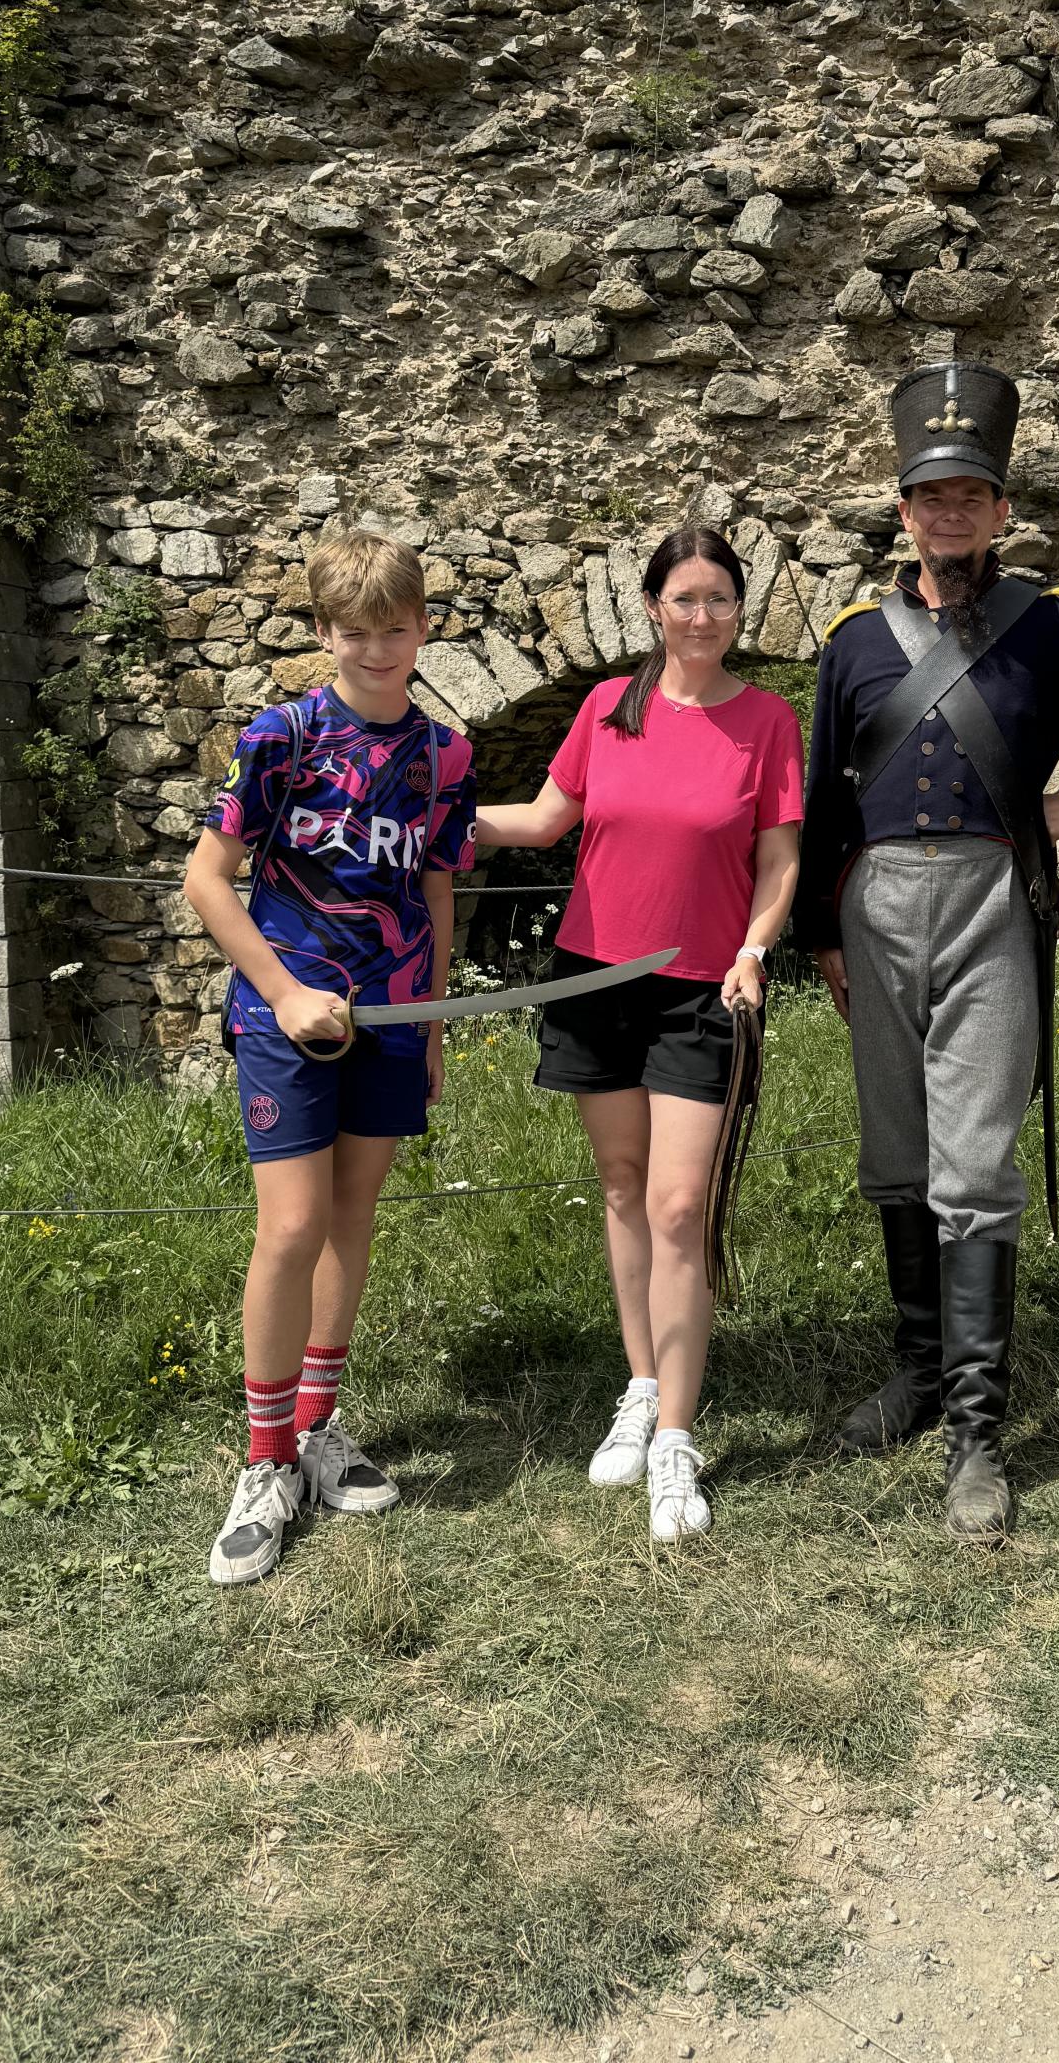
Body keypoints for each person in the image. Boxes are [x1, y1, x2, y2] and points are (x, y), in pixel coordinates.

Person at [800, 360, 1059, 1543]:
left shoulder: (1052, 626)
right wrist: (821, 928)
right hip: (872, 911)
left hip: (990, 903)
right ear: (905, 508)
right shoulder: (856, 642)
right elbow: (826, 792)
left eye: (972, 493)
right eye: (932, 495)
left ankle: (977, 1434)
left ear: (1001, 509)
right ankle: (919, 1377)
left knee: (973, 1162)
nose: (951, 513)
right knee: (898, 1149)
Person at [476, 526, 802, 1544]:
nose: (702, 615)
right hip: (594, 978)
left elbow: (781, 859)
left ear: (736, 612)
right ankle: (641, 1378)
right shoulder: (604, 709)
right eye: (684, 598)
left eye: (720, 598)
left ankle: (674, 1437)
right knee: (622, 1186)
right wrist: (417, 812)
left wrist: (756, 947)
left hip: (706, 990)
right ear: (653, 607)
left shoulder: (767, 723)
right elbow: (539, 820)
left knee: (677, 1207)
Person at [185, 531, 477, 1586]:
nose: (377, 650)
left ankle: (316, 1431)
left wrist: (435, 1026)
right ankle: (262, 1461)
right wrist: (283, 989)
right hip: (286, 1018)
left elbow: (439, 888)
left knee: (351, 1220)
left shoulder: (446, 754)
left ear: (423, 627)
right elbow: (208, 880)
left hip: (396, 1014)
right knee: (293, 1225)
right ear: (324, 635)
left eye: (395, 629)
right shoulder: (284, 736)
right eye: (355, 633)